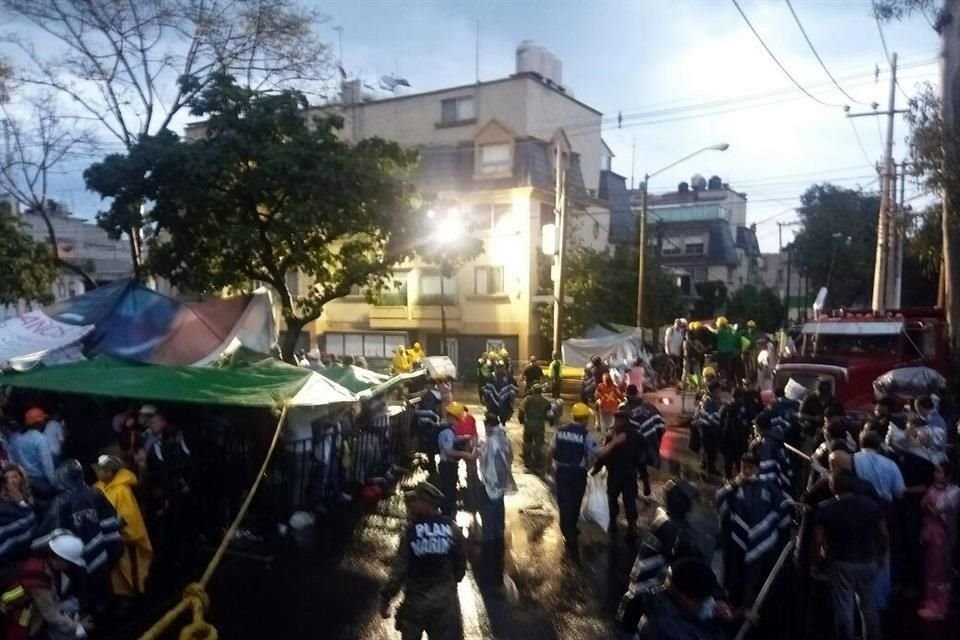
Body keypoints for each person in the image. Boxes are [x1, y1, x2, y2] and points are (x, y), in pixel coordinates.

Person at [617, 477, 711, 632]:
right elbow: (690, 562)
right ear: (682, 503)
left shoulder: (663, 517)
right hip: (645, 597)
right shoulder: (671, 529)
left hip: (638, 593)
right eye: (688, 502)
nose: (691, 507)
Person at [379, 482, 466, 640]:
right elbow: (460, 568)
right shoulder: (452, 529)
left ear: (428, 503)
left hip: (415, 606)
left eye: (417, 500)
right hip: (444, 606)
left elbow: (399, 571)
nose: (413, 504)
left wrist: (386, 598)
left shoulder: (411, 532)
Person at [33, 460, 122, 611]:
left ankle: (90, 616)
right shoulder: (95, 493)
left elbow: (48, 533)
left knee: (82, 587)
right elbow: (112, 523)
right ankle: (108, 611)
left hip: (75, 556)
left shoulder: (60, 501)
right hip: (100, 553)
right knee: (103, 584)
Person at [813, 471, 888, 640]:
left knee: (844, 607)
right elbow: (883, 534)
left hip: (840, 563)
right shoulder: (871, 505)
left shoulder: (825, 509)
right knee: (868, 605)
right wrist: (882, 555)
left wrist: (816, 563)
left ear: (832, 487)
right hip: (868, 560)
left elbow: (817, 541)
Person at [716, 453, 791, 609]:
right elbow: (720, 498)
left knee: (757, 576)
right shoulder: (734, 486)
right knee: (737, 573)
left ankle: (754, 604)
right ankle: (735, 603)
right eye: (744, 467)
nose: (747, 471)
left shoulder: (767, 485)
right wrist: (734, 485)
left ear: (758, 468)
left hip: (762, 541)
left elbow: (781, 504)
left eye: (751, 468)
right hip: (737, 541)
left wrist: (790, 505)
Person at [547, 402, 622, 549]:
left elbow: (550, 450)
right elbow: (599, 453)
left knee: (563, 502)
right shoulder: (585, 434)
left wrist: (549, 467)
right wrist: (614, 442)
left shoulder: (560, 431)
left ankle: (567, 530)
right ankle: (571, 531)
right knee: (575, 502)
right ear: (584, 419)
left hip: (561, 472)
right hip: (577, 473)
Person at [1, 531, 94, 640]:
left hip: (27, 604)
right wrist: (78, 626)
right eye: (68, 562)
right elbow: (51, 616)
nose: (69, 566)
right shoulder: (39, 584)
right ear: (59, 559)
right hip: (17, 611)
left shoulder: (42, 562)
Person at [93, 455, 153, 598]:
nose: (97, 472)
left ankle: (135, 594)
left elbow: (127, 517)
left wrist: (116, 530)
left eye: (101, 470)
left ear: (110, 472)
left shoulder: (122, 491)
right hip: (110, 538)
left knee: (129, 570)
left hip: (125, 539)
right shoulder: (99, 489)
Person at [634, 558, 731, 640]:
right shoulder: (670, 630)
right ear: (685, 597)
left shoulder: (668, 606)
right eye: (702, 600)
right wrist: (726, 625)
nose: (709, 603)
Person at [917, 461, 960, 621]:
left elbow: (936, 510)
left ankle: (940, 607)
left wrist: (928, 505)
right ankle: (931, 600)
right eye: (935, 471)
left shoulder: (954, 492)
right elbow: (926, 505)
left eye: (939, 472)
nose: (935, 474)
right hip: (930, 533)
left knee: (940, 570)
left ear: (948, 475)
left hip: (943, 536)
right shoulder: (933, 488)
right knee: (929, 568)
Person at [592, 410, 642, 543]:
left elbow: (604, 456)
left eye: (618, 419)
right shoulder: (635, 435)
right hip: (626, 474)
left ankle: (623, 525)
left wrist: (595, 470)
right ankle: (629, 526)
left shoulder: (613, 435)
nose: (617, 422)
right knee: (625, 500)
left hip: (618, 474)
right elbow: (641, 459)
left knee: (617, 499)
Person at [475, 413, 516, 544]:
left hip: (491, 483)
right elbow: (510, 457)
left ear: (488, 425)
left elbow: (485, 460)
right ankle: (498, 536)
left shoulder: (491, 441)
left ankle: (489, 542)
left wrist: (477, 451)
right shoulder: (504, 439)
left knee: (488, 513)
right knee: (499, 510)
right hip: (501, 481)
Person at [620, 384, 664, 496]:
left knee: (633, 465)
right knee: (642, 463)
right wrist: (657, 439)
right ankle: (645, 483)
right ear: (637, 393)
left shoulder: (625, 409)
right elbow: (660, 424)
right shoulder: (648, 405)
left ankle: (634, 491)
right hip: (650, 440)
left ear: (627, 394)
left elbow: (623, 429)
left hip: (635, 443)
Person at [10, 409, 58, 499]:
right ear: (38, 423)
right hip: (40, 482)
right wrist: (55, 484)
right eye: (43, 420)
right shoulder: (40, 439)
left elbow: (13, 461)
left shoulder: (17, 440)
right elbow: (47, 465)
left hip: (24, 481)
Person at [436, 406, 473, 518]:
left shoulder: (447, 428)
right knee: (448, 493)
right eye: (457, 419)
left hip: (448, 465)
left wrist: (463, 437)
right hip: (447, 465)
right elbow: (449, 451)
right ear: (451, 417)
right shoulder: (447, 431)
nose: (458, 422)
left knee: (449, 491)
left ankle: (447, 514)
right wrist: (466, 454)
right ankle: (446, 517)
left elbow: (452, 440)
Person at [0, 463, 36, 579]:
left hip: (27, 552)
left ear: (22, 478)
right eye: (7, 478)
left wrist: (20, 501)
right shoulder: (3, 505)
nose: (12, 481)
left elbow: (32, 522)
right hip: (9, 559)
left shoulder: (29, 498)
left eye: (14, 476)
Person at [720, 387, 759, 480]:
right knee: (739, 460)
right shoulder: (744, 407)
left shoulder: (726, 407)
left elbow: (720, 423)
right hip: (741, 438)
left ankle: (728, 478)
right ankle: (740, 478)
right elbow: (752, 418)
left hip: (728, 438)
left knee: (728, 460)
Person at [517, 384, 551, 472]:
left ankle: (527, 463)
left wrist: (521, 420)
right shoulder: (546, 402)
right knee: (538, 445)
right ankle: (538, 464)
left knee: (527, 443)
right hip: (539, 426)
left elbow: (521, 410)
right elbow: (550, 415)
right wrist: (551, 422)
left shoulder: (527, 399)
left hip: (528, 425)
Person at [693, 381, 723, 477]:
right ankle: (710, 468)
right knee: (710, 449)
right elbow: (710, 417)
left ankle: (706, 464)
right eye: (718, 389)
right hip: (707, 428)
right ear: (713, 390)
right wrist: (721, 411)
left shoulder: (713, 399)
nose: (720, 391)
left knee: (709, 449)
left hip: (709, 428)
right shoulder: (708, 400)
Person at [713, 316, 738, 387]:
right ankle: (729, 384)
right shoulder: (730, 332)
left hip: (721, 353)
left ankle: (722, 384)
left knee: (721, 369)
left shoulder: (719, 332)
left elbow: (713, 331)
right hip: (730, 353)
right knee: (728, 369)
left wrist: (707, 327)